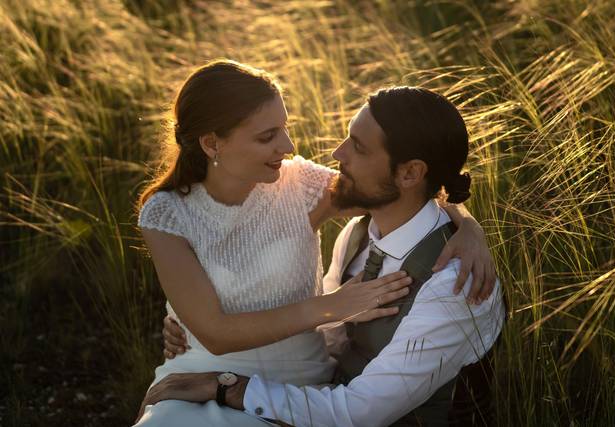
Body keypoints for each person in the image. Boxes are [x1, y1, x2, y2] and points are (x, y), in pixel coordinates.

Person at [134, 60, 497, 426]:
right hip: (211, 378)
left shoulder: (300, 187)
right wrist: (330, 308)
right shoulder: (168, 213)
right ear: (212, 144)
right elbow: (218, 332)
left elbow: (412, 191)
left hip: (296, 391)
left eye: (284, 129)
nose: (290, 147)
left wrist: (467, 226)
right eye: (266, 136)